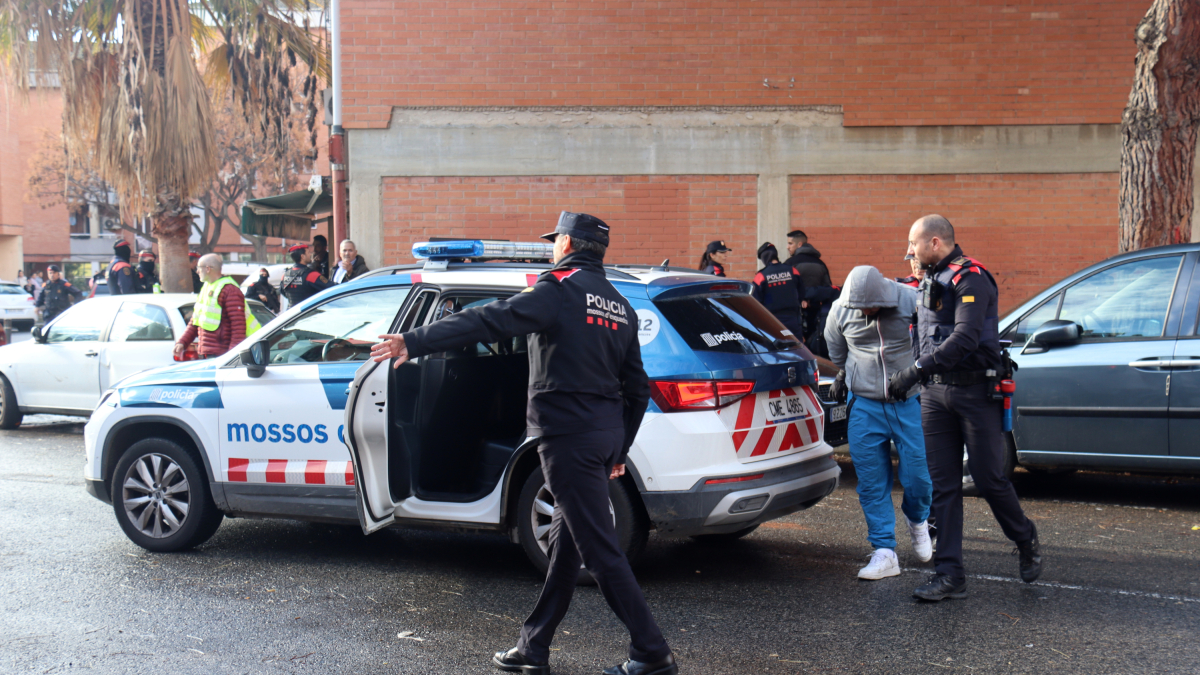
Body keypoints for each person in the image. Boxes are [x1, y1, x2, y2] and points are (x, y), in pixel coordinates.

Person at [371, 212, 676, 675]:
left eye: (556, 241)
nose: (553, 247)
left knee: (597, 549)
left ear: (568, 242)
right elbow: (637, 389)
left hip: (567, 437)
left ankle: (652, 653)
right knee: (565, 546)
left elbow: (490, 320)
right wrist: (619, 449)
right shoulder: (620, 305)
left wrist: (414, 341)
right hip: (601, 435)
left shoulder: (557, 290)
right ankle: (533, 648)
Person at [888, 214, 1041, 602]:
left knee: (990, 480)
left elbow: (966, 337)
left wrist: (914, 371)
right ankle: (950, 575)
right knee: (944, 487)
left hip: (976, 394)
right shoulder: (928, 278)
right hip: (936, 396)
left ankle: (1025, 537)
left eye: (913, 243)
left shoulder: (971, 278)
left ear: (935, 242)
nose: (909, 251)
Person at [824, 265, 932, 580]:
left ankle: (918, 519)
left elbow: (931, 340)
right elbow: (836, 350)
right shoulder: (840, 310)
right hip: (865, 404)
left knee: (919, 478)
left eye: (870, 307)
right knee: (872, 481)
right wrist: (848, 374)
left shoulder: (911, 299)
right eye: (859, 308)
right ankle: (884, 551)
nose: (865, 312)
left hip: (906, 400)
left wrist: (914, 372)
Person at [174, 254, 260, 359]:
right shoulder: (207, 287)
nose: (197, 271)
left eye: (199, 268)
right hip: (209, 352)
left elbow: (238, 326)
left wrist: (232, 356)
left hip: (221, 354)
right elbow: (196, 320)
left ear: (208, 269)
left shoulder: (229, 289)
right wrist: (182, 342)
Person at [751, 242, 806, 341]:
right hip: (793, 318)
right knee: (797, 349)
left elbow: (755, 301)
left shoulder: (761, 276)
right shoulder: (792, 270)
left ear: (764, 258)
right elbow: (802, 292)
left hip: (772, 321)